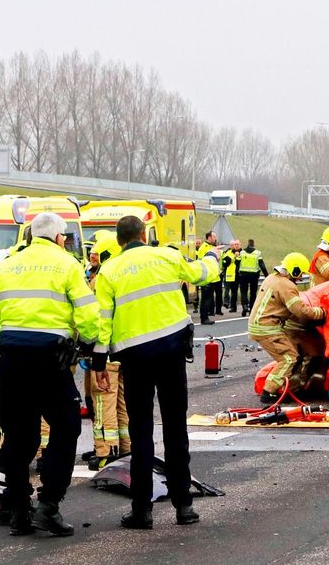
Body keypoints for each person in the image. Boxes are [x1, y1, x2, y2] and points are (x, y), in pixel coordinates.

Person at [0, 212, 99, 537]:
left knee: (18, 436)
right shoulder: (67, 264)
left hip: (13, 359)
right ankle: (49, 505)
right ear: (60, 238)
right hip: (51, 361)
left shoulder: (5, 267)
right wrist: (88, 343)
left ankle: (18, 511)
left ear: (30, 235)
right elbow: (87, 311)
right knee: (66, 427)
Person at [93, 215, 220, 529]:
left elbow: (103, 320)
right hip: (171, 352)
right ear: (142, 234)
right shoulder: (166, 255)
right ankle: (184, 506)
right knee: (176, 430)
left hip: (135, 358)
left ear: (120, 240)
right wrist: (211, 256)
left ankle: (142, 511)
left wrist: (98, 362)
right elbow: (202, 274)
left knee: (141, 434)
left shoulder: (109, 271)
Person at [251, 253, 326, 404]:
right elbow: (300, 311)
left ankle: (285, 388)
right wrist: (321, 312)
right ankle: (269, 391)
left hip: (262, 326)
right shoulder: (287, 286)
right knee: (288, 358)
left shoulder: (272, 278)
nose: (300, 278)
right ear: (295, 270)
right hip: (268, 328)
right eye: (300, 274)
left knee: (289, 356)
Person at [85, 233, 129, 470]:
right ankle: (126, 446)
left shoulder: (102, 279)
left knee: (102, 402)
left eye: (96, 254)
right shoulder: (125, 277)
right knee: (121, 402)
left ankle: (105, 451)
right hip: (123, 351)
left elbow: (94, 318)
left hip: (105, 351)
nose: (93, 259)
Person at [238, 238, 268, 317]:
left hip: (243, 275)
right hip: (254, 276)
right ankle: (251, 309)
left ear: (247, 244)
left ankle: (244, 306)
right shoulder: (257, 253)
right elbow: (262, 266)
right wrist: (267, 276)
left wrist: (237, 274)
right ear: (253, 245)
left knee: (243, 291)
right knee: (253, 293)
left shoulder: (242, 252)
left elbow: (237, 264)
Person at [197, 231, 219, 325]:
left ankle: (206, 316)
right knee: (205, 298)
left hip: (212, 277)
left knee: (209, 298)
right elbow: (203, 261)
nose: (215, 238)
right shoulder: (204, 247)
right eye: (214, 236)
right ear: (209, 237)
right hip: (206, 276)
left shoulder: (212, 247)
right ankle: (204, 318)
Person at [222, 240, 241, 312]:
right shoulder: (228, 253)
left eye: (236, 244)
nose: (234, 246)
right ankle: (226, 303)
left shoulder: (241, 253)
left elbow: (239, 263)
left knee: (234, 293)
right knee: (226, 290)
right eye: (233, 245)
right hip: (228, 275)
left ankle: (233, 307)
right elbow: (224, 263)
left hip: (236, 276)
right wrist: (232, 258)